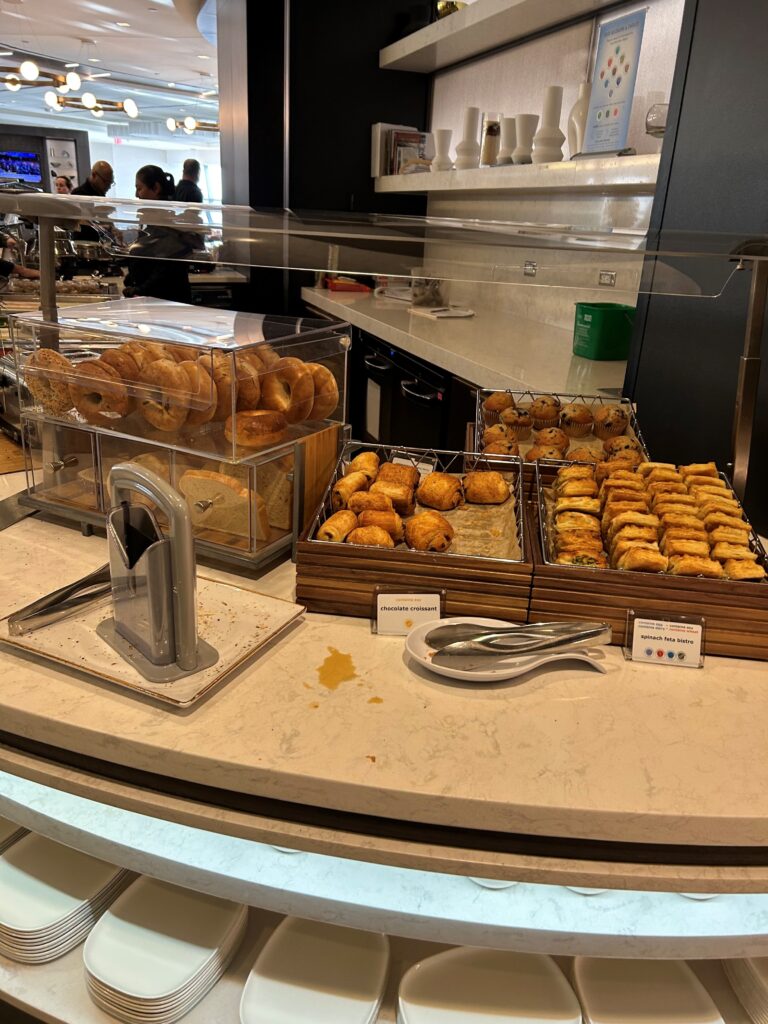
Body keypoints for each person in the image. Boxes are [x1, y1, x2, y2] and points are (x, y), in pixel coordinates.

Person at [123, 165, 201, 303]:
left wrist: (141, 289)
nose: (136, 195)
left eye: (139, 188)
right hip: (157, 299)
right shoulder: (153, 221)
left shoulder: (166, 223)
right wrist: (132, 277)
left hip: (167, 301)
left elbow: (165, 268)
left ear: (156, 188)